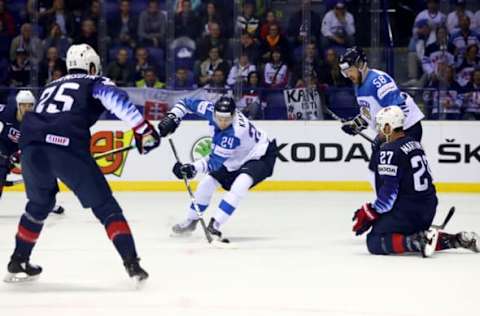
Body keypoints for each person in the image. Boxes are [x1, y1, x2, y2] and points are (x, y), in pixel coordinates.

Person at [3, 44, 160, 284]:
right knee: (106, 206)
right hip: (65, 145)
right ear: (92, 65)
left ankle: (18, 259)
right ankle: (132, 263)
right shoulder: (94, 81)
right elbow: (114, 99)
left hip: (31, 145)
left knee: (39, 203)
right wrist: (143, 129)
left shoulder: (50, 86)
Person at [353, 105, 479, 257]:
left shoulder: (388, 150)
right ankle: (457, 240)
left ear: (388, 127)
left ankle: (416, 241)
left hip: (409, 211)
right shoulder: (414, 143)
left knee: (373, 241)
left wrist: (371, 211)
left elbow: (388, 195)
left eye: (380, 127)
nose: (378, 131)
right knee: (408, 230)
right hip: (429, 207)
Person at [157, 96, 277, 240]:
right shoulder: (210, 109)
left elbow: (214, 163)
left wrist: (191, 168)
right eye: (219, 118)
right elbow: (186, 103)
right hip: (235, 156)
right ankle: (190, 221)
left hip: (260, 155)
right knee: (206, 184)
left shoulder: (234, 133)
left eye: (227, 119)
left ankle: (215, 225)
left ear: (234, 115)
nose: (222, 122)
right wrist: (174, 116)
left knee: (241, 184)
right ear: (213, 112)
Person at [338, 47, 425, 173]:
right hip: (390, 133)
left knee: (392, 174)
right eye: (345, 73)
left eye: (349, 71)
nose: (348, 76)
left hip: (407, 130)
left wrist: (384, 137)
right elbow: (370, 114)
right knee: (376, 172)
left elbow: (399, 111)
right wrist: (356, 124)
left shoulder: (378, 81)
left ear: (360, 65)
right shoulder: (359, 84)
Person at [0, 90, 64, 215]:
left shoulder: (37, 122)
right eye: (24, 105)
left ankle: (47, 203)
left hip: (21, 150)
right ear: (18, 105)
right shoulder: (5, 113)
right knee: (0, 168)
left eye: (30, 105)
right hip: (3, 146)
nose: (27, 108)